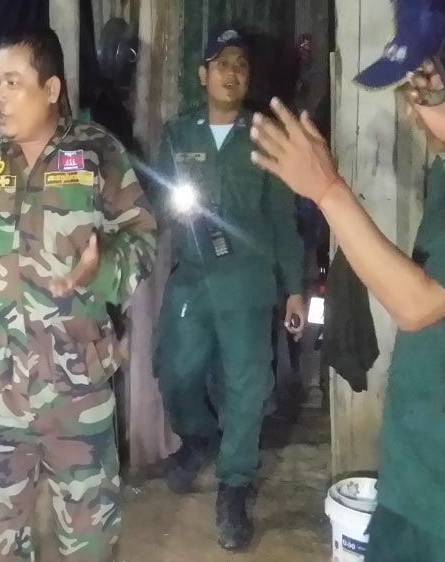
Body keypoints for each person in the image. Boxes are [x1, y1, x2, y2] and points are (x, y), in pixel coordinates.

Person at [250, 0, 445, 562]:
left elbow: (419, 303)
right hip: (416, 475)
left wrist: (326, 190)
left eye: (422, 87)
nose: (412, 111)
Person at [0, 27, 157, 562]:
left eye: (13, 82)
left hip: (77, 393)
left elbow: (142, 238)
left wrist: (102, 267)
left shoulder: (97, 153)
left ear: (51, 89)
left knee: (90, 544)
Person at [148, 29, 305, 550]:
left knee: (246, 387)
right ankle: (199, 438)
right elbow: (156, 199)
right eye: (221, 64)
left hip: (248, 282)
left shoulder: (264, 136)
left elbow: (282, 218)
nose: (232, 73)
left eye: (240, 65)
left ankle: (234, 485)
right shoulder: (179, 134)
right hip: (193, 278)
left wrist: (295, 288)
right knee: (175, 373)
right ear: (203, 74)